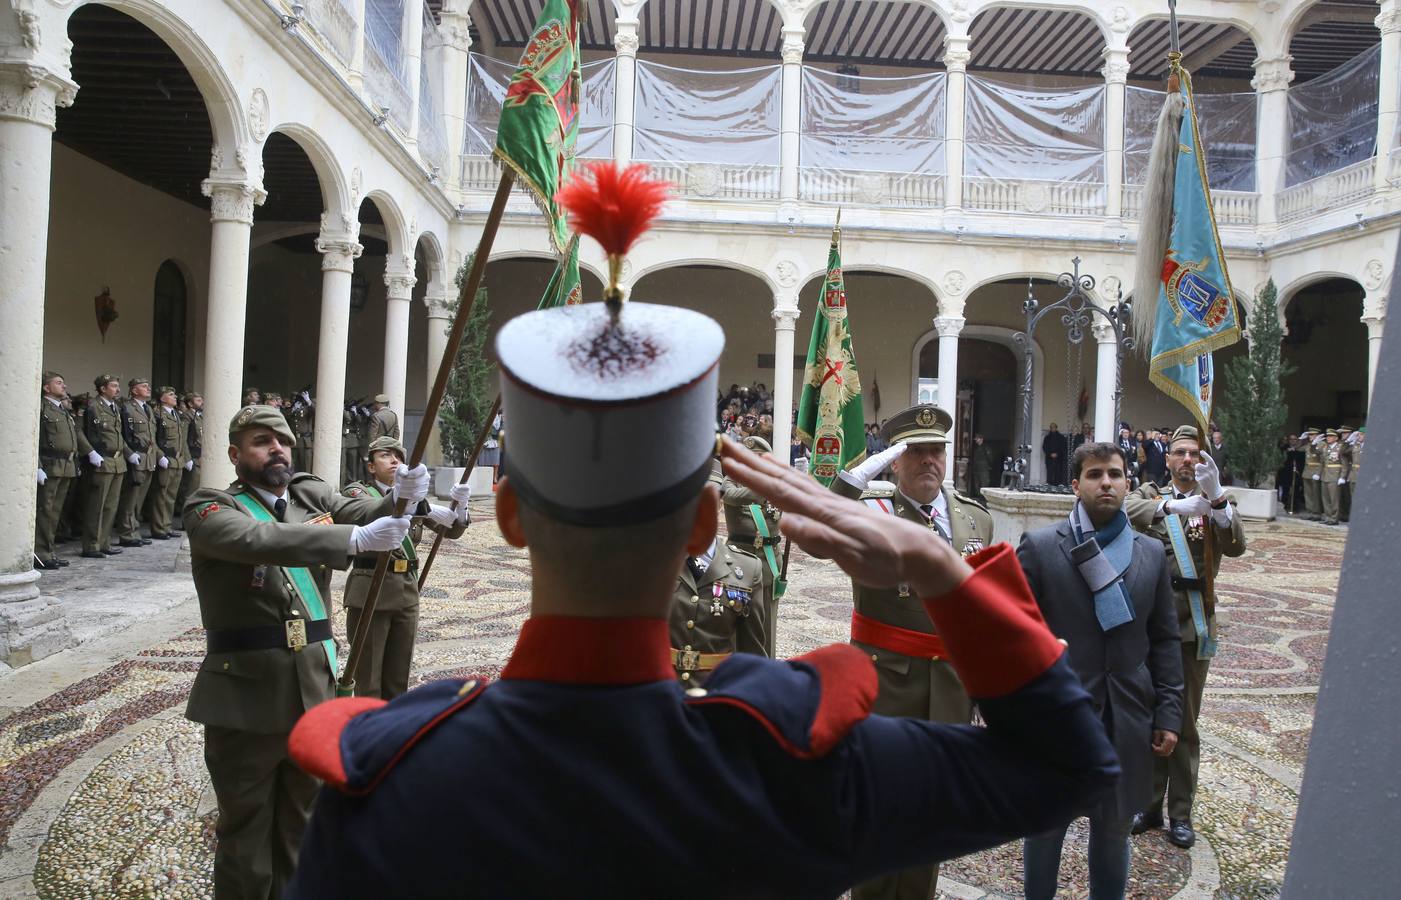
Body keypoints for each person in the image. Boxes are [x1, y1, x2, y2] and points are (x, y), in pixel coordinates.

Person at [285, 300, 1116, 899]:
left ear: (509, 518)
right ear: (703, 524)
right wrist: (940, 572)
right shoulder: (787, 768)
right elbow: (1069, 767)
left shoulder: (393, 780)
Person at [183, 404, 430, 899]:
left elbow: (362, 512)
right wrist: (353, 539)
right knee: (246, 838)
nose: (277, 449)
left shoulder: (306, 498)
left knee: (305, 826)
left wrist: (401, 497)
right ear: (235, 454)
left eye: (283, 442)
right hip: (247, 698)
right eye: (261, 442)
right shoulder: (210, 506)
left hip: (313, 690)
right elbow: (256, 538)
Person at [830, 403, 994, 900]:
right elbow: (819, 529)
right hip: (887, 686)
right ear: (895, 460)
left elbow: (979, 611)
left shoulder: (975, 520)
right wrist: (851, 482)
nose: (929, 461)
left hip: (950, 689)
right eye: (916, 451)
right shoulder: (871, 516)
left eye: (936, 451)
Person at [1018, 441, 1183, 900]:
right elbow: (1015, 636)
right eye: (1094, 475)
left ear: (1128, 483)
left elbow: (1165, 640)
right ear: (1075, 485)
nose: (1105, 482)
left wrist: (1169, 713)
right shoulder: (1040, 548)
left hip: (1127, 715)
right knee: (1045, 828)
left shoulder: (1151, 553)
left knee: (1113, 831)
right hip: (1059, 716)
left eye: (1114, 474)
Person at [1125, 425, 1246, 849]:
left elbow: (1236, 545)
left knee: (1184, 722)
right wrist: (1173, 506)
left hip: (1193, 623)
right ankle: (1147, 805)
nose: (1187, 460)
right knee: (1149, 715)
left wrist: (1216, 501)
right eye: (1179, 452)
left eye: (1195, 453)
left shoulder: (1216, 500)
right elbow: (1127, 509)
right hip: (1152, 625)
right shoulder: (1150, 493)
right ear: (1168, 457)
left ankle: (1180, 812)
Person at [342, 436, 471, 699]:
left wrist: (460, 508)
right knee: (369, 679)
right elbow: (369, 512)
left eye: (399, 457)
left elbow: (450, 531)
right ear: (370, 466)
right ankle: (371, 723)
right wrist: (411, 503)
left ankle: (396, 721)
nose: (394, 461)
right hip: (371, 590)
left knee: (398, 677)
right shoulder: (358, 492)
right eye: (385, 456)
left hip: (406, 591)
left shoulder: (414, 497)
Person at [720, 434, 782, 659]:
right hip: (740, 563)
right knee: (739, 619)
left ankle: (767, 665)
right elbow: (732, 497)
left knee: (768, 623)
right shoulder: (731, 481)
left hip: (770, 561)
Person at [35, 371, 94, 569]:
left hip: (66, 466)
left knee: (55, 512)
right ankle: (40, 553)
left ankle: (49, 551)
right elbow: (33, 439)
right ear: (46, 387)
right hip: (49, 465)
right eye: (59, 383)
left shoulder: (62, 409)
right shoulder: (41, 407)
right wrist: (37, 467)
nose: (64, 386)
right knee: (45, 511)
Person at [81, 374, 130, 559]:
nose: (118, 389)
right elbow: (81, 431)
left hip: (117, 461)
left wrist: (128, 453)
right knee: (97, 506)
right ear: (103, 388)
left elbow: (117, 434)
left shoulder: (114, 407)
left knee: (111, 506)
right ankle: (91, 545)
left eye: (117, 386)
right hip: (102, 460)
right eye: (114, 386)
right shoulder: (93, 406)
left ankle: (104, 542)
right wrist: (90, 452)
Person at [114, 377, 164, 547]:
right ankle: (127, 533)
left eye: (148, 386)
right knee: (130, 498)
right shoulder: (127, 408)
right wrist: (129, 454)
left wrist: (158, 455)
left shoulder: (147, 408)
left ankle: (134, 530)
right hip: (136, 456)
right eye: (144, 386)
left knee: (139, 500)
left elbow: (152, 436)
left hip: (148, 458)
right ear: (134, 390)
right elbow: (122, 434)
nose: (148, 388)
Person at [149, 386, 190, 540]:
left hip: (177, 460)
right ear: (162, 398)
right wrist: (160, 456)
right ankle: (159, 528)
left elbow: (182, 439)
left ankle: (166, 525)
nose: (175, 397)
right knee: (161, 495)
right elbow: (152, 438)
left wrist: (185, 458)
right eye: (171, 394)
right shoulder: (157, 414)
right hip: (166, 458)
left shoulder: (175, 414)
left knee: (171, 496)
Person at [178, 392, 204, 514]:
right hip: (193, 456)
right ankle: (186, 517)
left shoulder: (199, 416)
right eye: (198, 400)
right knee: (190, 490)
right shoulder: (187, 416)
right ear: (190, 404)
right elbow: (183, 439)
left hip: (200, 456)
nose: (202, 403)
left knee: (197, 489)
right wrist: (187, 458)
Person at [1319, 429, 1349, 526]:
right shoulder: (1325, 447)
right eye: (1327, 436)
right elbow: (1321, 459)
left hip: (1335, 476)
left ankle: (1334, 518)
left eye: (1331, 436)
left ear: (1336, 438)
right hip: (1325, 475)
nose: (1328, 438)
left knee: (1334, 499)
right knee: (1325, 498)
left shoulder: (1340, 447)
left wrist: (1342, 476)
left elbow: (1344, 464)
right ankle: (1327, 517)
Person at [1300, 428, 1323, 520]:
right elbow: (1298, 448)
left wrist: (1318, 473)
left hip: (1315, 471)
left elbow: (1321, 458)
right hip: (1307, 471)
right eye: (1309, 435)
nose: (1310, 436)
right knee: (1308, 494)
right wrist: (1302, 439)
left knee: (1315, 494)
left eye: (1312, 435)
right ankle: (1309, 511)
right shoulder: (1308, 444)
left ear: (1317, 436)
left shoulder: (1322, 444)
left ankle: (1316, 513)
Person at [290, 390, 315, 473]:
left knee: (306, 464)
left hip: (305, 440)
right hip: (295, 440)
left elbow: (314, 411)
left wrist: (308, 400)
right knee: (295, 465)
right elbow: (286, 418)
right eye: (293, 399)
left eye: (295, 398)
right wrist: (293, 409)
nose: (294, 400)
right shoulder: (293, 410)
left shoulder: (307, 409)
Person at [968, 432, 997, 500]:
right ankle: (979, 497)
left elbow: (990, 458)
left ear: (981, 439)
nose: (976, 440)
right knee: (977, 484)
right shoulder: (976, 448)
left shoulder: (986, 448)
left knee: (984, 483)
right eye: (976, 439)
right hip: (976, 469)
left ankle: (984, 498)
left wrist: (989, 466)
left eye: (977, 438)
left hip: (983, 469)